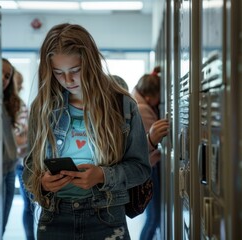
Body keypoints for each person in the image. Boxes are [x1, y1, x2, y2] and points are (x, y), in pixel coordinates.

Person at [22, 23, 151, 240]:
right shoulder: (42, 107)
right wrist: (42, 184)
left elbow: (140, 168)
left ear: (90, 63)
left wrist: (102, 175)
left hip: (107, 217)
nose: (68, 80)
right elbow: (28, 169)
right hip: (55, 217)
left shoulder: (123, 105)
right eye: (58, 73)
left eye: (75, 70)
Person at [132, 66, 169, 240]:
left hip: (148, 169)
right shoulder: (142, 109)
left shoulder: (136, 103)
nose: (158, 102)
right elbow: (153, 142)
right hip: (150, 169)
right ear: (150, 96)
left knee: (153, 217)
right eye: (157, 98)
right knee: (153, 218)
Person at [13, 70, 35, 240]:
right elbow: (18, 140)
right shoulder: (8, 107)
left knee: (31, 205)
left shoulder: (21, 105)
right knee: (28, 205)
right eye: (17, 81)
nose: (19, 86)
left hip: (27, 161)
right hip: (20, 163)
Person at [2, 58, 22, 235]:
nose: (3, 78)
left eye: (7, 76)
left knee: (2, 223)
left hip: (10, 168)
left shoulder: (8, 102)